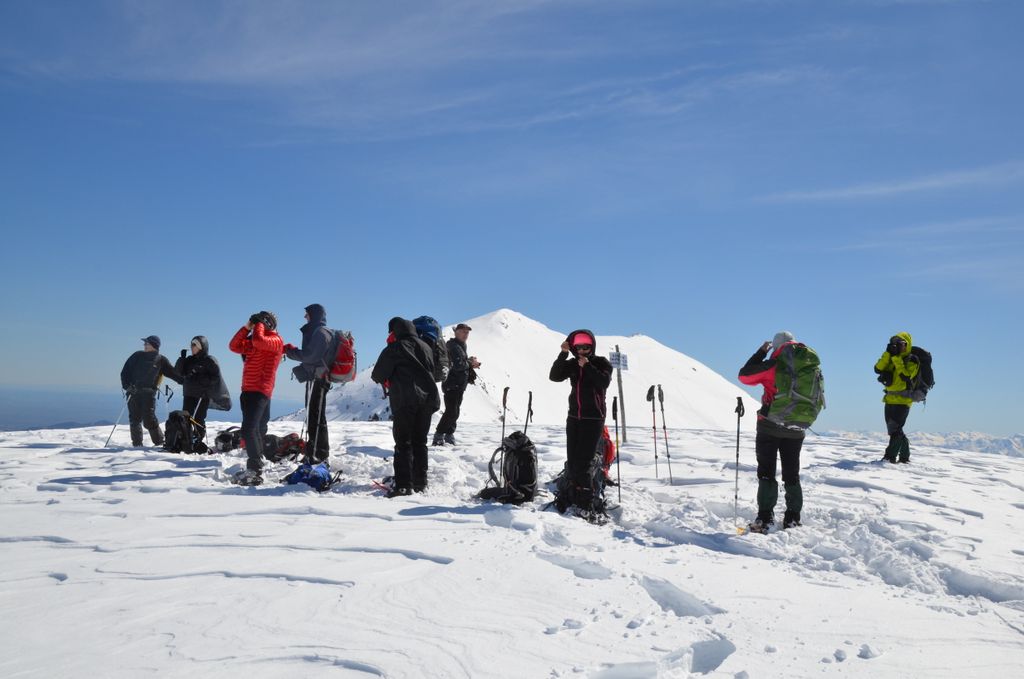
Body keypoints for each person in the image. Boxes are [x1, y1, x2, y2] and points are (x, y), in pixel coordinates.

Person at [737, 331, 806, 532]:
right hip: (797, 427)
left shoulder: (774, 365)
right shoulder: (808, 367)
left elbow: (744, 376)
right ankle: (793, 518)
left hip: (770, 426)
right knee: (792, 473)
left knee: (767, 471)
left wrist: (760, 352)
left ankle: (765, 519)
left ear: (777, 348)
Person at [371, 317, 440, 497]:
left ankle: (404, 485)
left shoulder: (395, 348)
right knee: (420, 441)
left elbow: (377, 374)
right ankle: (420, 482)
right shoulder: (426, 346)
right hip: (428, 399)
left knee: (403, 443)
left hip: (405, 399)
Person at [549, 330, 613, 512]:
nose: (583, 351)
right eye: (579, 348)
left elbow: (603, 382)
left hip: (593, 419)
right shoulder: (572, 363)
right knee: (573, 459)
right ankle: (572, 494)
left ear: (591, 347)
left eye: (586, 347)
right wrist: (563, 353)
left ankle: (586, 501)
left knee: (584, 461)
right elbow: (554, 376)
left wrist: (587, 367)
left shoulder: (601, 363)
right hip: (574, 417)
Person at [228, 311, 285, 485]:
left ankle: (255, 469)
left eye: (261, 322)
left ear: (268, 323)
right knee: (256, 429)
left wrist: (259, 324)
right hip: (247, 390)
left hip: (260, 390)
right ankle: (258, 461)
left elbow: (260, 340)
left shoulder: (276, 341)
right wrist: (247, 327)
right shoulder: (254, 341)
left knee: (249, 429)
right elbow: (234, 346)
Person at [284, 303, 334, 464]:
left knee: (315, 416)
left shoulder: (320, 332)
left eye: (307, 314)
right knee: (316, 416)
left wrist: (290, 351)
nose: (305, 317)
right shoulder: (322, 332)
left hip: (317, 378)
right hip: (319, 377)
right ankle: (317, 452)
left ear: (314, 315)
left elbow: (311, 356)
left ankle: (317, 454)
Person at [119, 335, 182, 447]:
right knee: (134, 419)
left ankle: (159, 443)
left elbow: (173, 374)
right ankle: (137, 445)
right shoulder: (137, 356)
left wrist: (186, 380)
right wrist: (127, 386)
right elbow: (125, 372)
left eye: (147, 343)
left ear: (154, 345)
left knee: (149, 420)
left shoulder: (161, 360)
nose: (144, 345)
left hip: (149, 394)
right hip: (133, 392)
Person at [874, 332, 920, 463]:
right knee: (894, 430)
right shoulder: (892, 357)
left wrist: (896, 358)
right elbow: (878, 368)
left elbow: (905, 376)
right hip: (889, 399)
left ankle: (889, 457)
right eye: (896, 344)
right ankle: (905, 457)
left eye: (901, 344)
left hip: (903, 400)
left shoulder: (912, 360)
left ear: (907, 344)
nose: (899, 347)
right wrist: (888, 354)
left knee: (895, 430)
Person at [432, 323, 481, 446]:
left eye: (467, 332)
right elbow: (459, 365)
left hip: (458, 385)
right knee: (452, 411)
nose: (466, 334)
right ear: (456, 332)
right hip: (452, 384)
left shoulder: (460, 346)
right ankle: (439, 435)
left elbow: (461, 362)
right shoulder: (453, 346)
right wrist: (471, 363)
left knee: (455, 411)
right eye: (463, 332)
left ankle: (449, 435)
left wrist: (468, 361)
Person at [174, 335, 228, 429]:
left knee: (199, 419)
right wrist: (182, 359)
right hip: (189, 394)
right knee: (186, 419)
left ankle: (198, 440)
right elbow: (178, 373)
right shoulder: (189, 360)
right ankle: (187, 440)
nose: (191, 347)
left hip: (202, 395)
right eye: (191, 345)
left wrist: (204, 379)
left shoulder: (209, 360)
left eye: (194, 345)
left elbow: (216, 377)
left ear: (201, 346)